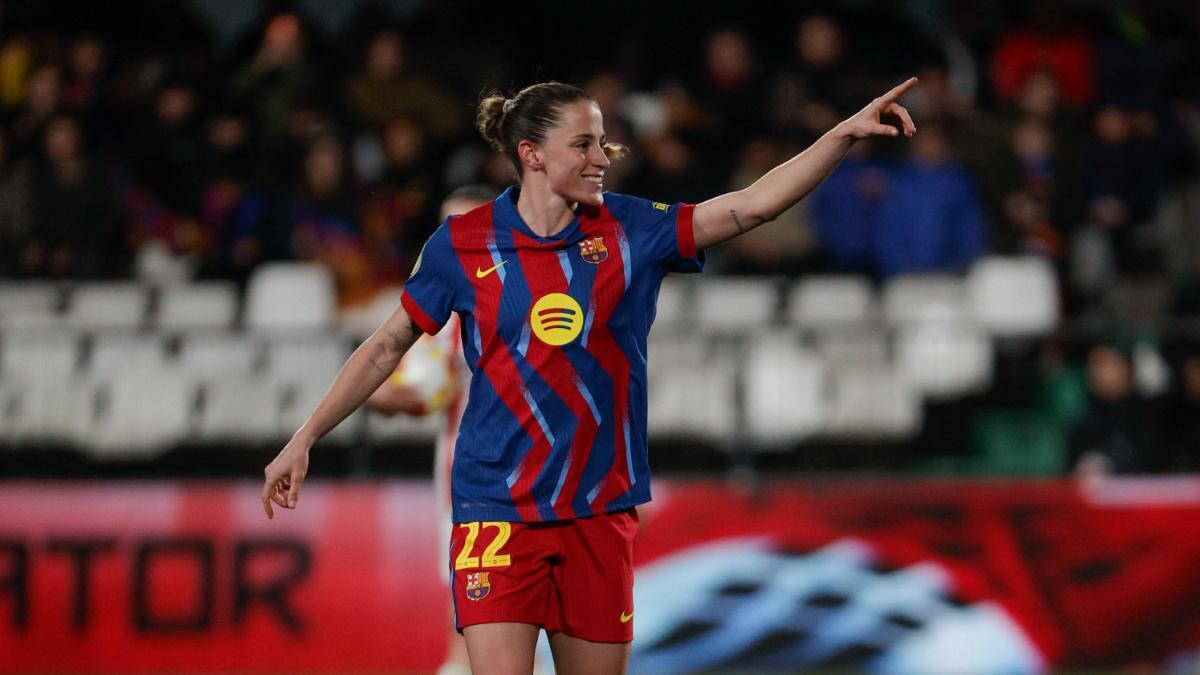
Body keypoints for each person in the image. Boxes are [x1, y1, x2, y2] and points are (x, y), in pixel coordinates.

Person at [262, 78, 917, 674]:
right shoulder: (461, 243)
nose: (603, 156)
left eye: (603, 141)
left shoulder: (633, 228)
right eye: (585, 143)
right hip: (497, 510)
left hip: (599, 510)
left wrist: (838, 138)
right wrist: (306, 436)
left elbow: (750, 207)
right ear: (532, 153)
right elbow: (384, 347)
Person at [364, 185, 496, 675]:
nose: (452, 238)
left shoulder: (540, 297)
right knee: (469, 624)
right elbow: (399, 387)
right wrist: (396, 395)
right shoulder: (438, 311)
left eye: (464, 225)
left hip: (542, 477)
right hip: (471, 482)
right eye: (445, 226)